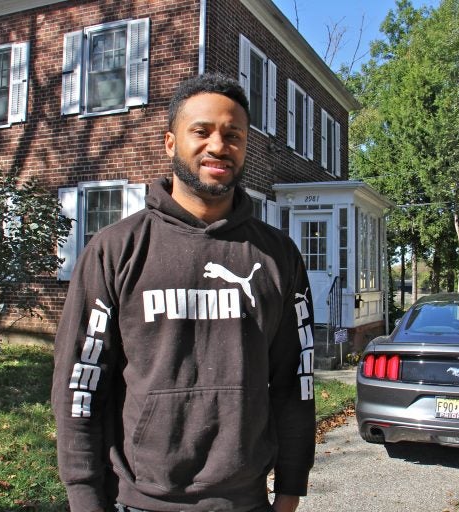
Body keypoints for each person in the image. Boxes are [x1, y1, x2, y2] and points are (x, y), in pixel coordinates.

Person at [51, 72, 316, 512]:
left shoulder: (277, 256)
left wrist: (290, 490)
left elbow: (295, 382)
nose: (219, 146)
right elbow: (80, 383)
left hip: (245, 501)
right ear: (171, 143)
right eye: (202, 131)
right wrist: (83, 495)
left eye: (233, 135)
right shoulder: (116, 250)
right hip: (138, 500)